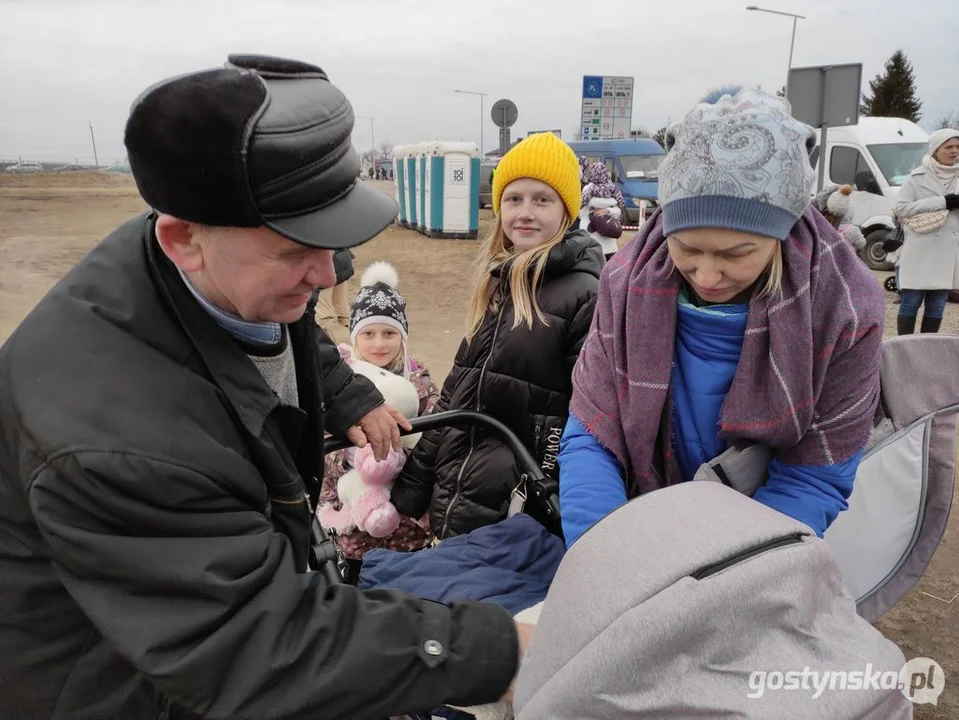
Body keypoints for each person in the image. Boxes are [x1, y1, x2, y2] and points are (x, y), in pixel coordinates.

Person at [0, 55, 529, 720]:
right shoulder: (117, 435)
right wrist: (497, 653)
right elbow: (253, 642)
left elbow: (292, 326)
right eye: (297, 250)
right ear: (182, 239)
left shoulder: (224, 263)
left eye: (333, 241)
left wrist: (345, 392)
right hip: (119, 688)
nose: (327, 273)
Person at [558, 90, 885, 548]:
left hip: (759, 541)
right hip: (635, 523)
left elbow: (814, 477)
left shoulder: (845, 311)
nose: (708, 275)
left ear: (782, 231)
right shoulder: (623, 282)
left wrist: (727, 575)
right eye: (686, 249)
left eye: (737, 254)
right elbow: (593, 433)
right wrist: (605, 553)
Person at [391, 132, 602, 540]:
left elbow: (587, 417)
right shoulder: (497, 284)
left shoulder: (585, 295)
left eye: (542, 200)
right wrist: (412, 490)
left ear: (567, 210)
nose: (525, 212)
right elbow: (456, 396)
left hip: (519, 510)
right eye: (513, 199)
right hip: (458, 495)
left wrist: (550, 493)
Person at [319, 261, 440, 583]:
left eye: (389, 333)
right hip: (355, 530)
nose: (379, 344)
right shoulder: (339, 386)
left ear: (403, 336)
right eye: (368, 334)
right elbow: (323, 448)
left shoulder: (420, 385)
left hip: (407, 526)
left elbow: (434, 440)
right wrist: (348, 456)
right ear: (355, 337)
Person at [893, 128, 959, 335]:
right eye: (949, 147)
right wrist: (941, 202)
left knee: (938, 306)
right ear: (935, 150)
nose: (954, 151)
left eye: (957, 147)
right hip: (920, 250)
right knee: (910, 303)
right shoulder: (917, 176)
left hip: (947, 253)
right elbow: (900, 209)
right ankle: (903, 349)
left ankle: (927, 350)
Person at [580, 161, 627, 261]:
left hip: (593, 240)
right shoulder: (613, 188)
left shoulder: (588, 189)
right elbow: (619, 209)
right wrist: (608, 210)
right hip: (610, 241)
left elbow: (581, 212)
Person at [314, 247, 354, 344]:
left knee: (325, 318)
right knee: (343, 314)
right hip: (341, 257)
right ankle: (350, 347)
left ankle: (340, 350)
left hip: (326, 263)